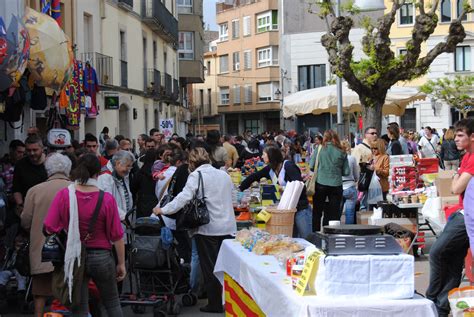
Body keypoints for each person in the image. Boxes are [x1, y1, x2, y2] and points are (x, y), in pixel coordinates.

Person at [153, 148, 236, 313]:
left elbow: (183, 198)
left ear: (191, 162)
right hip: (227, 226)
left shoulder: (196, 176)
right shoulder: (224, 174)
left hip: (208, 228)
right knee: (224, 266)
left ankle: (214, 304)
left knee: (210, 267)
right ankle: (227, 299)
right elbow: (232, 195)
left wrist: (163, 210)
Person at [44, 154, 125, 316]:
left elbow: (49, 226)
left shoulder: (65, 195)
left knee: (79, 307)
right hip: (102, 256)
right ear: (97, 173)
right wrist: (121, 263)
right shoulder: (106, 199)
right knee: (112, 302)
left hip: (74, 256)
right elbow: (116, 235)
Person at [426, 119, 474, 316]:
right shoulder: (467, 156)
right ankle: (442, 305)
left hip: (466, 216)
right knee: (453, 259)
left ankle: (433, 299)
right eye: (455, 135)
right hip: (462, 213)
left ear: (472, 136)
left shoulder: (471, 158)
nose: (456, 139)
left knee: (437, 252)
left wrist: (457, 174)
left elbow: (455, 187)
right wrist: (457, 173)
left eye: (460, 135)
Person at [21, 153, 71, 317]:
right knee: (65, 291)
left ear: (48, 170)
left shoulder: (34, 191)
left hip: (41, 249)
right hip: (67, 249)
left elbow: (25, 222)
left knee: (40, 291)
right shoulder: (74, 189)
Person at [240, 146, 313, 238]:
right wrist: (240, 189)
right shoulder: (270, 169)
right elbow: (254, 176)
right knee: (293, 239)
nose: (262, 157)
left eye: (264, 154)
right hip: (288, 211)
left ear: (271, 156)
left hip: (301, 209)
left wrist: (282, 188)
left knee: (307, 238)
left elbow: (300, 186)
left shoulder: (288, 166)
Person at [313, 130, 350, 232]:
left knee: (317, 212)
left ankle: (316, 234)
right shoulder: (342, 151)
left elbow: (311, 166)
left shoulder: (319, 149)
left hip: (320, 183)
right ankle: (332, 234)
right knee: (334, 213)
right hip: (336, 184)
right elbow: (346, 171)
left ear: (324, 138)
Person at [12, 135, 47, 219]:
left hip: (47, 207)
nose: (31, 153)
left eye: (35, 150)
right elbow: (16, 189)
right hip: (27, 208)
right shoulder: (20, 165)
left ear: (42, 149)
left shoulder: (50, 164)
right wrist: (20, 205)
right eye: (28, 150)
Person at [98, 150, 135, 221]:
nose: (129, 170)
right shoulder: (105, 177)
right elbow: (107, 203)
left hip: (122, 220)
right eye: (128, 166)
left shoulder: (122, 174)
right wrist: (123, 217)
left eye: (130, 167)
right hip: (114, 221)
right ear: (118, 163)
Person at [352, 127, 378, 211]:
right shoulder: (359, 148)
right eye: (372, 133)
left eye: (376, 133)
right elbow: (354, 166)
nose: (375, 135)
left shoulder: (376, 147)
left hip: (374, 182)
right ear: (366, 135)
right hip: (363, 182)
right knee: (363, 206)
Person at [131, 149, 158, 219]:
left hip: (142, 205)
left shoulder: (139, 173)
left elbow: (133, 189)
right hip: (156, 205)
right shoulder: (160, 174)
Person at [341, 141, 359, 224]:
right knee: (350, 214)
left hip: (339, 187)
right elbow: (356, 175)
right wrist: (355, 179)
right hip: (350, 186)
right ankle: (349, 232)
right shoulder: (352, 158)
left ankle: (336, 232)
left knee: (337, 213)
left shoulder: (337, 158)